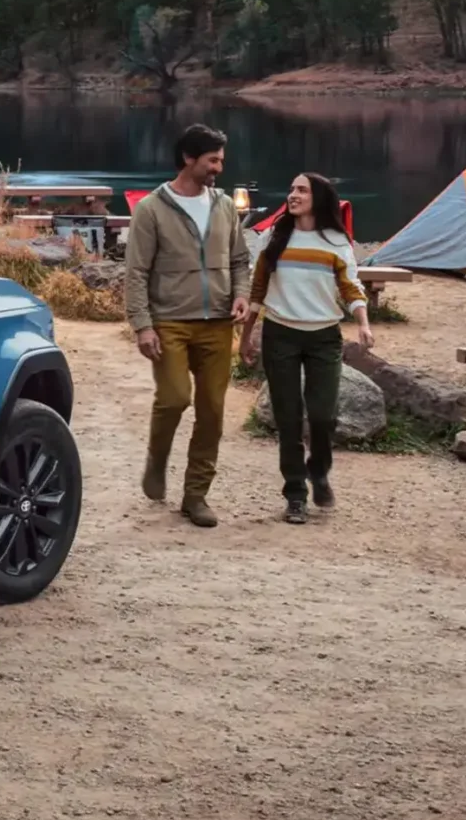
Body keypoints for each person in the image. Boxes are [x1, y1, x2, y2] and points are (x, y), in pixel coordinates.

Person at [124, 124, 254, 528]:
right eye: (212, 160)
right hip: (169, 322)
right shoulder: (151, 209)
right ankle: (158, 458)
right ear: (188, 159)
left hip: (217, 322)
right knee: (175, 398)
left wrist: (241, 295)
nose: (218, 168)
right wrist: (142, 325)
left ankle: (195, 495)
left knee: (212, 410)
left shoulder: (225, 206)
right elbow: (136, 272)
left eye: (220, 160)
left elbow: (239, 260)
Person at [242, 174, 373, 525]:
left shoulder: (336, 241)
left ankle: (319, 470)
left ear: (319, 198)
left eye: (302, 190)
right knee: (287, 420)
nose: (293, 195)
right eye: (292, 189)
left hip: (323, 337)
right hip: (280, 335)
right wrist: (245, 335)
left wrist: (362, 322)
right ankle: (295, 494)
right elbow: (257, 289)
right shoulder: (274, 237)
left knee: (323, 415)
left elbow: (351, 286)